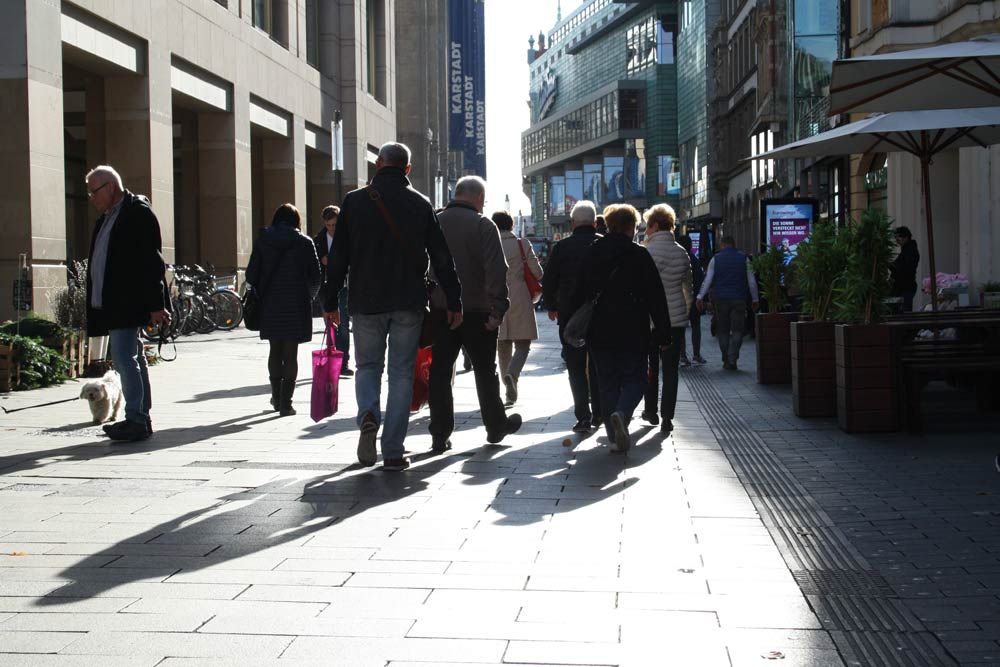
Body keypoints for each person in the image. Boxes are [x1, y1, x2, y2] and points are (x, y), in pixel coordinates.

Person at [324, 142, 462, 471]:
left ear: (378, 163)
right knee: (401, 374)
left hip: (365, 299)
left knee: (368, 367)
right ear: (408, 170)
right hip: (408, 300)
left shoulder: (354, 202)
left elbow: (339, 257)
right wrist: (454, 299)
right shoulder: (420, 203)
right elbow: (442, 257)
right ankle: (394, 450)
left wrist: (329, 301)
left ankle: (369, 415)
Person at [428, 177, 521, 452]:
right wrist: (498, 308)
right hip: (477, 310)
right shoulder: (483, 224)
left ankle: (439, 433)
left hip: (442, 309)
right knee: (484, 370)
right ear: (479, 198)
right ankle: (495, 426)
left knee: (441, 371)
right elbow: (496, 270)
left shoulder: (435, 221)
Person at [569, 204, 670, 453]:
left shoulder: (593, 252)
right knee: (636, 379)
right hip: (633, 329)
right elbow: (655, 295)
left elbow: (578, 291)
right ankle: (623, 414)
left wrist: (570, 321)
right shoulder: (639, 254)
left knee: (607, 383)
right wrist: (663, 332)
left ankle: (614, 438)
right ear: (630, 227)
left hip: (600, 330)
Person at [84, 165, 170, 442]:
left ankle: (136, 418)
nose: (91, 198)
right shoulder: (107, 217)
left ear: (110, 187)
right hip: (113, 302)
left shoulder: (137, 213)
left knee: (124, 359)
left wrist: (157, 304)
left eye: (94, 191)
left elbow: (152, 261)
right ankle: (140, 416)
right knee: (135, 358)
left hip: (127, 301)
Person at [246, 203, 321, 416]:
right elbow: (315, 276)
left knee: (274, 350)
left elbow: (251, 274)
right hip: (296, 304)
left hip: (270, 303)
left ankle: (276, 398)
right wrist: (308, 296)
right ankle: (286, 403)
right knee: (290, 353)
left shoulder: (263, 239)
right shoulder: (305, 243)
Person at [543, 200, 603, 433]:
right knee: (599, 364)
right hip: (600, 314)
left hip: (569, 315)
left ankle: (583, 416)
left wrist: (551, 305)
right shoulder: (603, 245)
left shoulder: (562, 247)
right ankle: (599, 412)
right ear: (595, 222)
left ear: (573, 222)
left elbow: (549, 279)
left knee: (576, 367)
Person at [640, 204, 692, 433]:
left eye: (648, 226)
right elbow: (688, 289)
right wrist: (684, 311)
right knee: (671, 371)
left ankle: (650, 410)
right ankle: (668, 417)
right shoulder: (682, 253)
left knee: (650, 367)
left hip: (650, 321)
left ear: (655, 225)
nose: (646, 231)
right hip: (676, 321)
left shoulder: (646, 252)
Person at [493, 210, 543, 406]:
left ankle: (508, 392)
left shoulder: (489, 243)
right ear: (511, 225)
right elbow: (538, 273)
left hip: (495, 295)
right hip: (520, 294)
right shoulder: (522, 244)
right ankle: (513, 374)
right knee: (523, 344)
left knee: (502, 344)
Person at [696, 236, 759, 370]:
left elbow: (708, 280)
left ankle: (725, 357)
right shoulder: (744, 258)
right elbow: (752, 282)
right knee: (738, 330)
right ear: (734, 244)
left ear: (723, 245)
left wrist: (700, 296)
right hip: (739, 299)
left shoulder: (715, 259)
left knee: (723, 330)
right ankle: (733, 357)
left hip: (721, 300)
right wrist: (755, 299)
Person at [313, 206, 353, 376]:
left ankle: (343, 362)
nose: (332, 228)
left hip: (343, 287)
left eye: (334, 224)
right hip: (325, 287)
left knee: (343, 325)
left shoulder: (347, 237)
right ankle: (332, 359)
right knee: (330, 325)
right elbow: (312, 265)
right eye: (328, 225)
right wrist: (322, 260)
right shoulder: (318, 240)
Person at [678, 235, 706, 364]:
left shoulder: (677, 259)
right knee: (696, 326)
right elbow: (700, 280)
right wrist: (701, 298)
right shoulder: (694, 260)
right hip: (694, 298)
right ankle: (696, 354)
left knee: (681, 328)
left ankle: (683, 355)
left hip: (680, 299)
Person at [890, 226, 920, 312]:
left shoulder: (910, 251)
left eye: (899, 236)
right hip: (904, 287)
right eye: (895, 237)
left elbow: (905, 269)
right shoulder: (907, 250)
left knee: (904, 312)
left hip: (906, 287)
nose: (896, 239)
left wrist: (892, 266)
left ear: (906, 237)